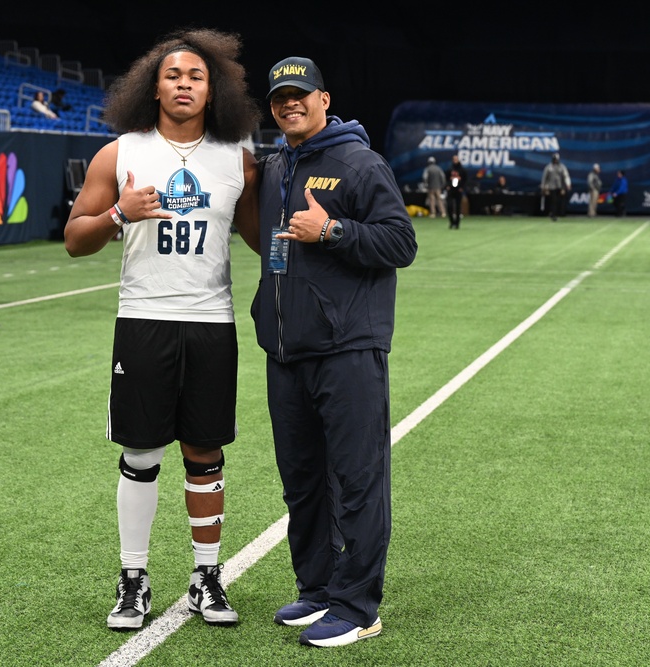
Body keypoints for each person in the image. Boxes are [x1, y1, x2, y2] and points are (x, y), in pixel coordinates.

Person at [62, 27, 261, 632]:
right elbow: (75, 239)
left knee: (205, 452)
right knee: (141, 450)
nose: (184, 84)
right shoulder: (120, 152)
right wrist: (121, 213)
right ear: (153, 86)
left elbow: (259, 237)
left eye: (196, 76)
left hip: (210, 322)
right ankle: (134, 578)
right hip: (144, 319)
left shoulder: (238, 159)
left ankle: (206, 576)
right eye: (173, 75)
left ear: (214, 87)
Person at [253, 55, 417, 648]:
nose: (289, 104)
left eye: (301, 94)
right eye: (279, 98)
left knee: (357, 479)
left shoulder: (358, 162)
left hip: (348, 346)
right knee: (301, 480)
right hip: (286, 348)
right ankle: (319, 588)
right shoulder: (275, 167)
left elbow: (401, 241)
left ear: (325, 98)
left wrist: (334, 232)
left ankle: (357, 606)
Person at [540, 152, 571, 221]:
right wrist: (543, 187)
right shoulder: (548, 167)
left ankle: (556, 213)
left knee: (558, 201)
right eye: (554, 159)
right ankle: (553, 214)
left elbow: (566, 176)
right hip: (551, 187)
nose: (555, 161)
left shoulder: (562, 167)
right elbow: (544, 178)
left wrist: (567, 184)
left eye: (556, 159)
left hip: (559, 186)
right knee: (553, 201)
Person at [445, 154, 467, 228]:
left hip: (458, 190)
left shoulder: (462, 170)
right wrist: (447, 186)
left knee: (458, 207)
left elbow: (465, 180)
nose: (455, 161)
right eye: (454, 159)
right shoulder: (449, 169)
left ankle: (457, 223)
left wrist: (462, 187)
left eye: (456, 159)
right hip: (451, 190)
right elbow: (446, 179)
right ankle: (452, 222)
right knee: (449, 206)